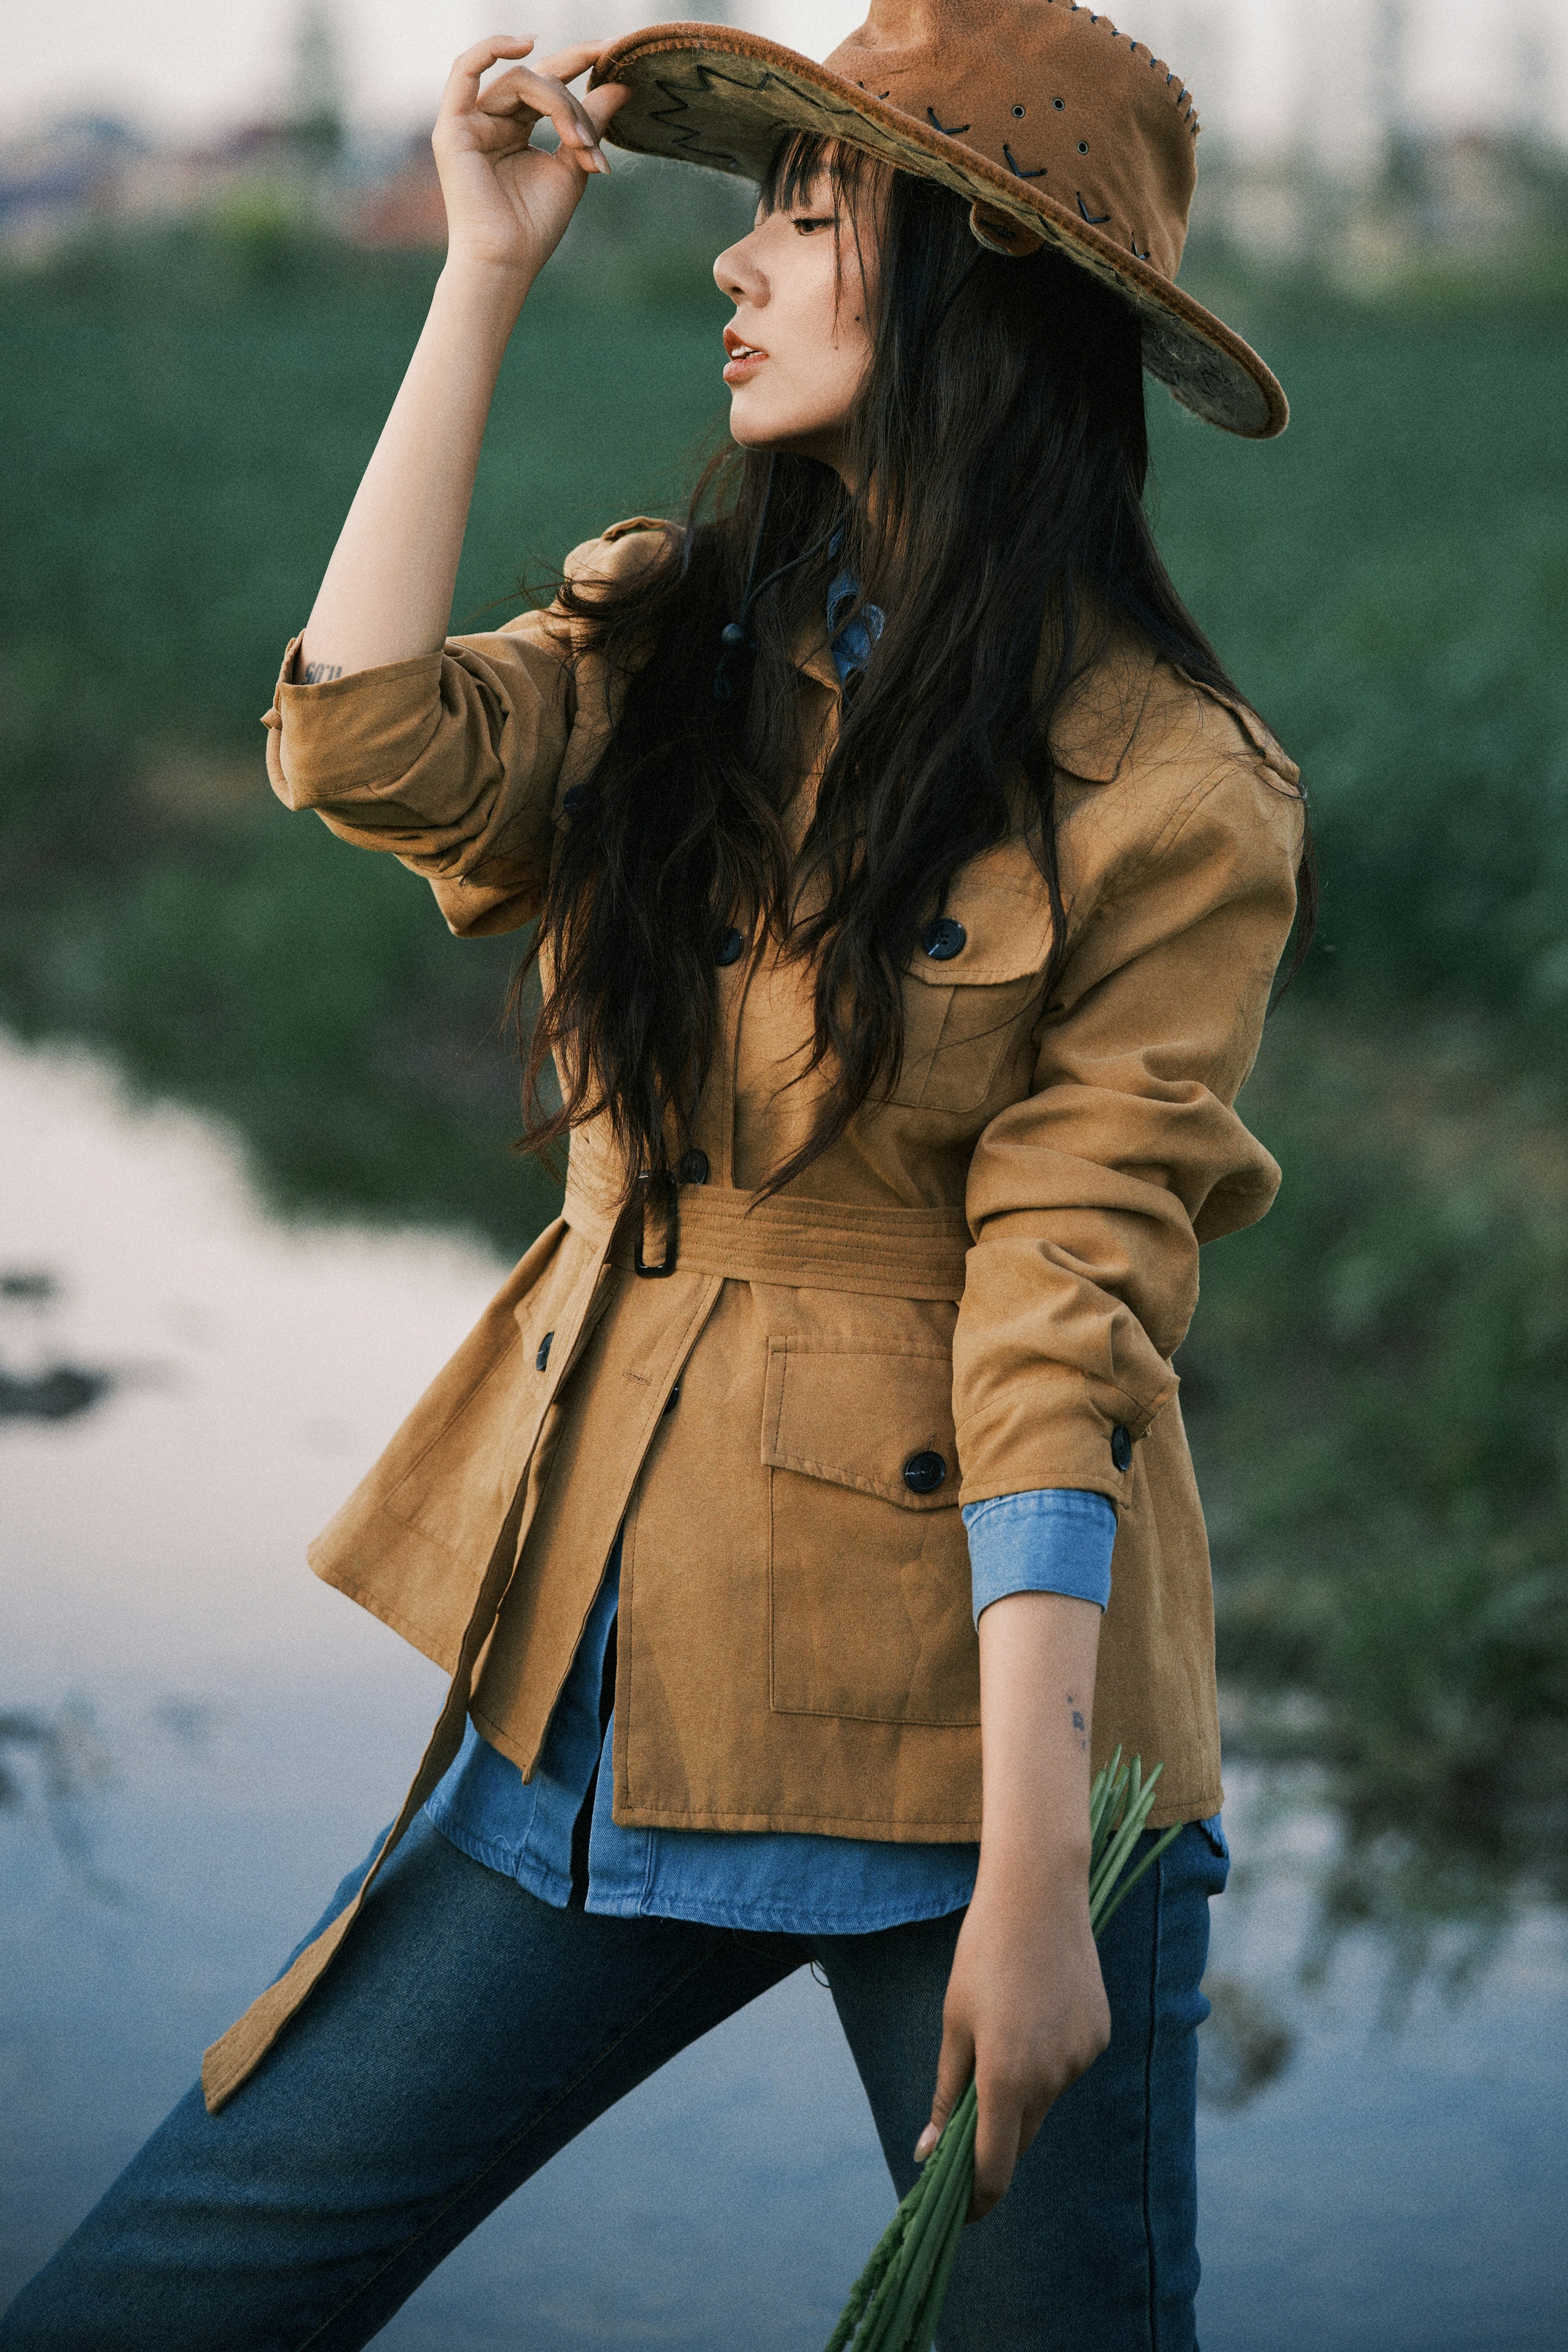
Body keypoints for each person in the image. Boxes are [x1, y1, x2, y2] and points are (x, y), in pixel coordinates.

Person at [1, 4, 1309, 2346]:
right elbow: (372, 741)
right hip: (612, 1635)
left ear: (978, 288)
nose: (741, 267)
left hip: (989, 1752)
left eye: (810, 216)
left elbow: (1064, 1311)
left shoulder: (1171, 785)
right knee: (169, 2295)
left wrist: (1035, 1879)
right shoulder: (676, 629)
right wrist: (480, 269)